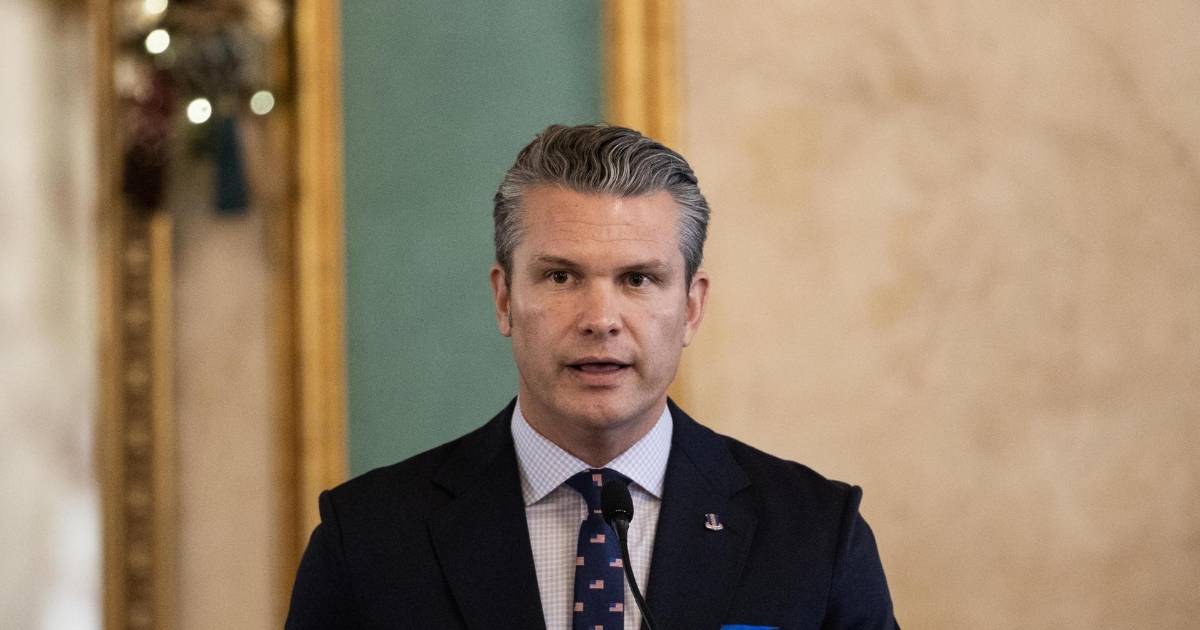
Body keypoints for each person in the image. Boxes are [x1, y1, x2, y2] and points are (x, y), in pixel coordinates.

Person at [285, 124, 899, 630]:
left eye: (638, 279)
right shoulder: (367, 538)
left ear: (691, 307)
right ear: (504, 299)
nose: (600, 320)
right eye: (561, 277)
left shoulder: (817, 533)